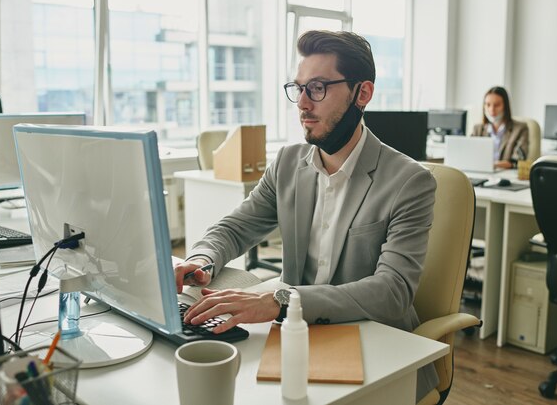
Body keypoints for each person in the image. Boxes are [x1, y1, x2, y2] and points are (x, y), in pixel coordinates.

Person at [173, 30, 438, 400]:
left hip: (374, 343)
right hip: (298, 337)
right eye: (298, 88)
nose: (301, 104)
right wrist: (200, 258)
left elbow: (392, 292)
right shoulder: (286, 164)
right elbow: (236, 227)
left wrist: (280, 300)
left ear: (362, 93)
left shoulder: (409, 181)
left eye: (317, 88)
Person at [472, 86, 529, 169]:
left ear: (505, 106)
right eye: (488, 105)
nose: (492, 109)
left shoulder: (520, 128)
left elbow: (518, 160)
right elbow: (470, 155)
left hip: (505, 175)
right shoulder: (477, 129)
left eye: (497, 105)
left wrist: (492, 165)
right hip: (480, 173)